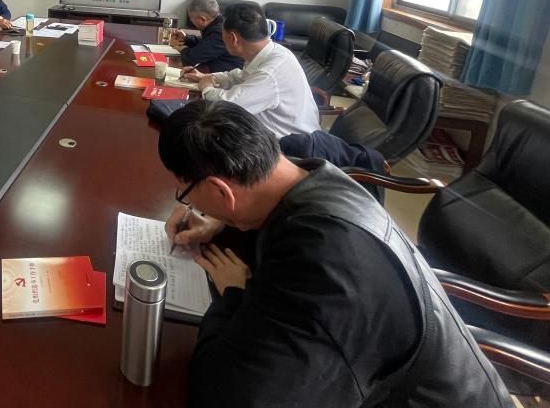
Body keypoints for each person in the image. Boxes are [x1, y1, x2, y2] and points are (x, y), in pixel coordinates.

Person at [159, 100, 513, 408]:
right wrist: (222, 222)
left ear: (221, 190)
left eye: (185, 194)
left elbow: (227, 397)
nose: (189, 204)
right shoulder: (310, 176)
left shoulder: (321, 260)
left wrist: (233, 295)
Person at [183, 2, 318, 137]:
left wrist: (206, 87)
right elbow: (240, 76)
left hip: (289, 144)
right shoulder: (274, 51)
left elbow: (227, 106)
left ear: (233, 39)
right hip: (269, 133)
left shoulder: (269, 73)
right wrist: (206, 77)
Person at [170, 0, 243, 73]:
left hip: (225, 73)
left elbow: (193, 58)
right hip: (216, 66)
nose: (191, 22)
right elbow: (206, 44)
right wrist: (186, 38)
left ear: (202, 19)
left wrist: (183, 49)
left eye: (191, 19)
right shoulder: (219, 23)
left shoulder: (220, 31)